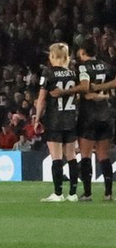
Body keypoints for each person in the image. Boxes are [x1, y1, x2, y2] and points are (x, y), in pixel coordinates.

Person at [34, 42, 83, 202]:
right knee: (71, 156)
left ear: (53, 56)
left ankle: (57, 193)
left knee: (56, 157)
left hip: (54, 119)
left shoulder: (48, 73)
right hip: (70, 119)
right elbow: (77, 95)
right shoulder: (73, 74)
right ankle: (73, 193)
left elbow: (41, 99)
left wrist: (37, 118)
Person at [76, 38, 114, 202]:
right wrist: (102, 91)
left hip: (88, 115)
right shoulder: (105, 65)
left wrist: (94, 91)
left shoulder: (83, 67)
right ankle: (108, 193)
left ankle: (88, 192)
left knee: (85, 155)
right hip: (104, 115)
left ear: (82, 51)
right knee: (104, 155)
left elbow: (86, 89)